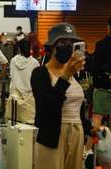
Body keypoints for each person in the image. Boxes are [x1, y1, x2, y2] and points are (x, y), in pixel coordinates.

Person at [31, 23, 85, 169]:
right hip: (52, 135)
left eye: (71, 43)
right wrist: (65, 77)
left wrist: (89, 128)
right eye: (62, 43)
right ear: (52, 46)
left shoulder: (74, 73)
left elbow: (78, 106)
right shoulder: (40, 73)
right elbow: (46, 108)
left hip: (76, 133)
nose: (67, 47)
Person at [92, 15, 111, 137]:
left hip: (103, 87)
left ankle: (92, 149)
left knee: (97, 117)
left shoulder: (101, 44)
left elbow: (96, 68)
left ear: (109, 27)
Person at [9, 38, 39, 124]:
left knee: (15, 125)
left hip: (15, 97)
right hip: (29, 98)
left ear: (19, 48)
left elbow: (12, 76)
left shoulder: (13, 61)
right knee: (28, 128)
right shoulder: (35, 62)